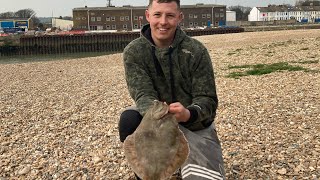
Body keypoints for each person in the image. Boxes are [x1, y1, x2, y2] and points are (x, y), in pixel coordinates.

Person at [118, 0, 225, 179]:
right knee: (129, 119)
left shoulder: (196, 51)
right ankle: (147, 173)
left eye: (170, 15)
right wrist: (161, 113)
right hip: (155, 120)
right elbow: (142, 93)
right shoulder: (134, 52)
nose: (163, 22)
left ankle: (184, 165)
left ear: (179, 17)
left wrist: (188, 113)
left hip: (193, 122)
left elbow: (207, 100)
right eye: (157, 14)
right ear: (147, 16)